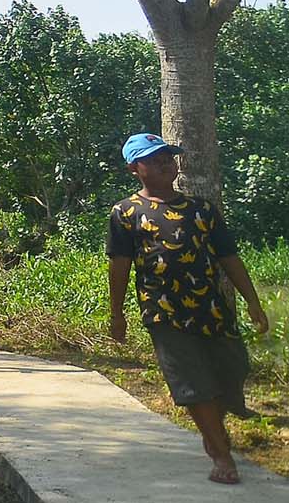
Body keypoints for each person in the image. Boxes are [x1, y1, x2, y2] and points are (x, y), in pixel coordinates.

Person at [107, 132, 273, 486]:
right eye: (154, 159)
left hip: (212, 307)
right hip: (163, 311)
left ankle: (213, 429)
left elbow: (228, 256)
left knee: (232, 369)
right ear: (134, 168)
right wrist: (116, 313)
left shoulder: (202, 210)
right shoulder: (125, 212)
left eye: (168, 157)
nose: (166, 163)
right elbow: (120, 264)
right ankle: (220, 451)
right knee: (192, 382)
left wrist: (252, 301)